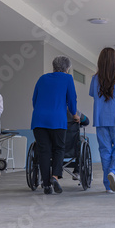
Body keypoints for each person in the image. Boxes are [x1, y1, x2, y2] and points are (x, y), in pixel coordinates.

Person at [31, 56, 79, 194]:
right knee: (59, 149)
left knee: (44, 151)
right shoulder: (68, 79)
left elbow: (34, 100)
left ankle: (46, 185)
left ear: (53, 66)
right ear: (67, 69)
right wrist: (75, 114)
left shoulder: (42, 78)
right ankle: (55, 176)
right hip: (57, 120)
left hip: (39, 119)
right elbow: (72, 100)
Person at [89, 47, 115, 193]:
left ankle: (108, 187)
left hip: (100, 120)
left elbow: (94, 96)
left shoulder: (95, 79)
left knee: (105, 151)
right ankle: (114, 171)